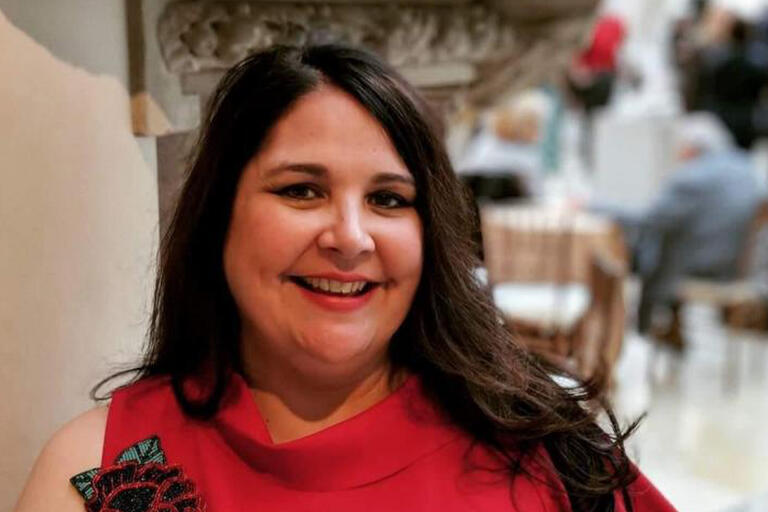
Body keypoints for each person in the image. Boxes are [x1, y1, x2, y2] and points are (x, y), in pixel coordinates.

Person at [14, 44, 674, 512]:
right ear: (219, 218)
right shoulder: (93, 469)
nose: (351, 238)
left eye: (389, 199)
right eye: (302, 190)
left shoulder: (548, 456)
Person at [596, 113, 763, 348]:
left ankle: (638, 332)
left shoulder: (691, 178)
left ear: (692, 148)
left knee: (638, 249)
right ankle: (668, 329)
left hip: (694, 267)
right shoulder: (748, 172)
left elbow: (647, 219)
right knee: (673, 238)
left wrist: (593, 206)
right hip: (738, 270)